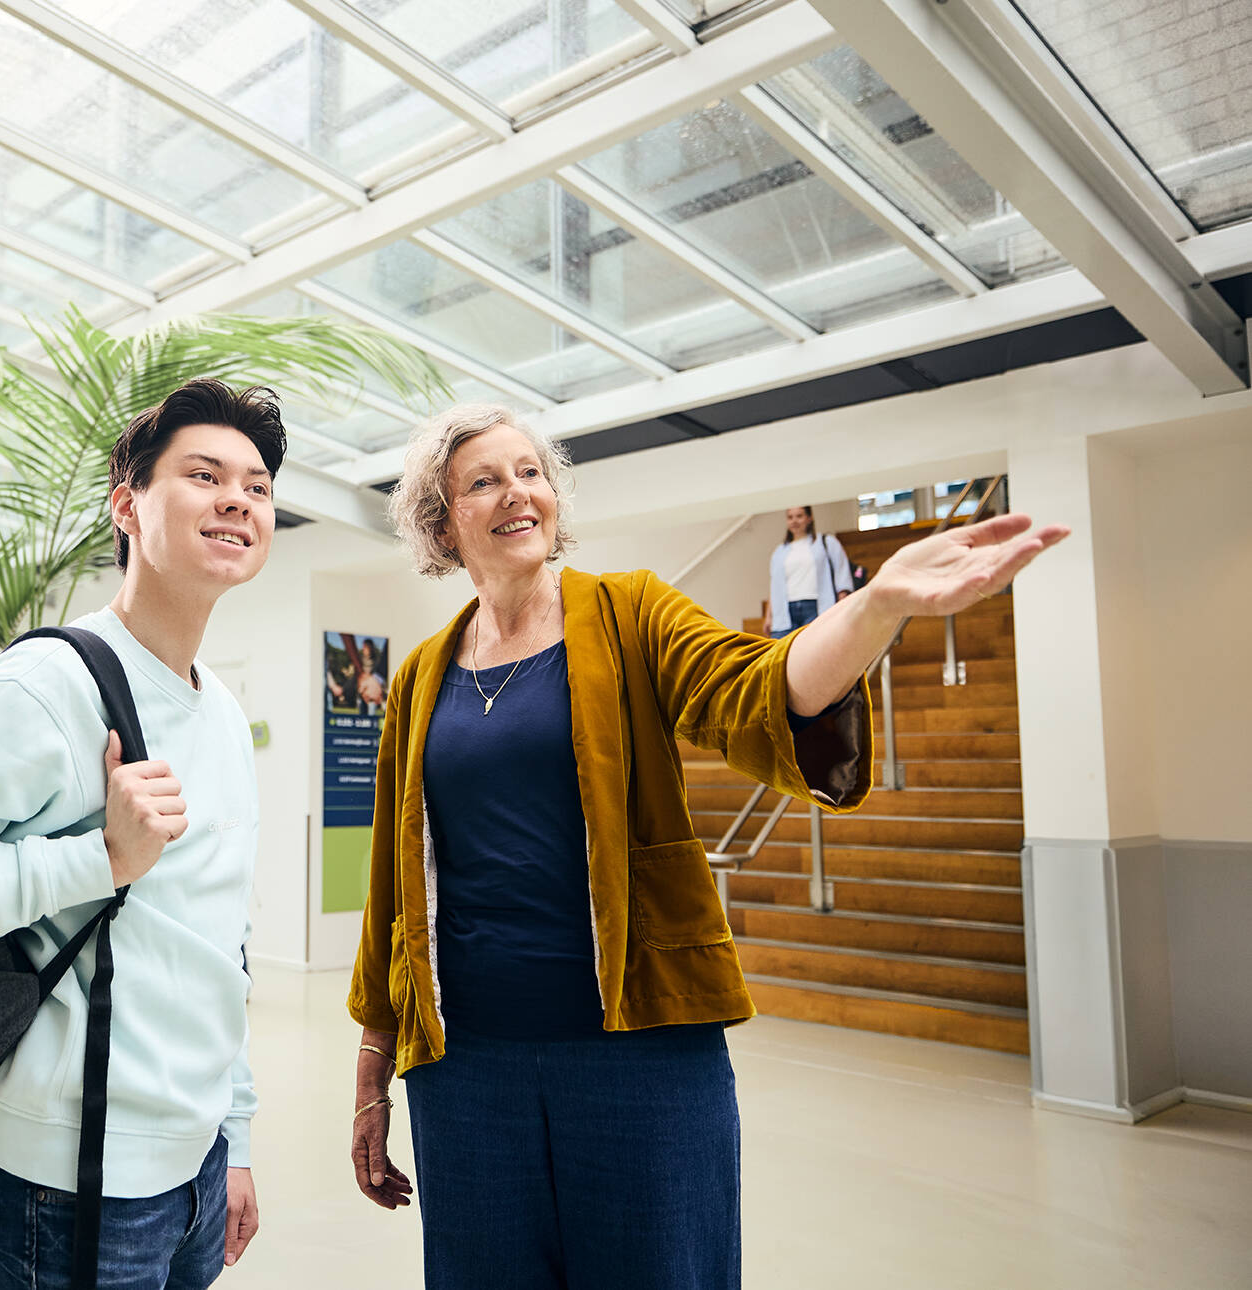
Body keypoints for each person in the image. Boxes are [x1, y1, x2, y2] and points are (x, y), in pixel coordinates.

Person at [346, 405, 1065, 1289]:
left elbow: (757, 684)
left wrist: (873, 609)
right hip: (465, 1072)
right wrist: (373, 1075)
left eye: (530, 472)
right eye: (483, 481)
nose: (517, 493)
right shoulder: (420, 675)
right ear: (441, 520)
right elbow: (393, 893)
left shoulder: (629, 612)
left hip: (639, 1057)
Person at [0, 379, 278, 1290]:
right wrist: (100, 859)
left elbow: (213, 937)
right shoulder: (48, 685)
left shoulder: (221, 708)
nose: (239, 497)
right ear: (127, 504)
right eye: (204, 473)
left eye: (258, 485)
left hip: (191, 1170)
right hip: (61, 1184)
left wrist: (229, 1134)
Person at [768, 505, 852, 638]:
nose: (794, 521)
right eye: (790, 517)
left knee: (815, 653)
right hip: (785, 612)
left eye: (799, 516)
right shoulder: (779, 551)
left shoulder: (826, 542)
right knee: (781, 655)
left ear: (809, 518)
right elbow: (775, 587)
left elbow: (842, 575)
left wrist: (841, 607)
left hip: (816, 607)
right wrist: (769, 617)